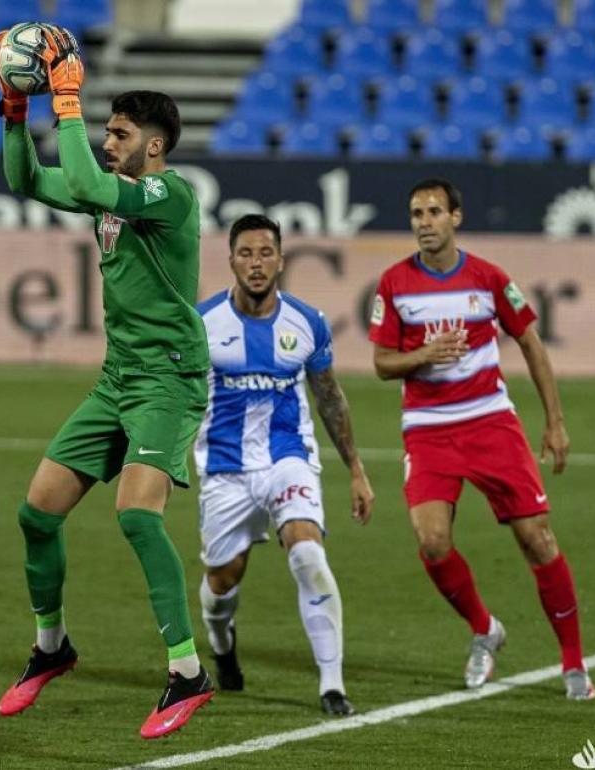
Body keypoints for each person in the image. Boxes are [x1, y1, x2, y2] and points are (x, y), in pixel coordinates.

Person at [0, 26, 214, 738]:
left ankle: (187, 672)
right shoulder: (111, 192)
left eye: (118, 132)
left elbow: (85, 179)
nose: (106, 139)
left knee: (136, 515)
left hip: (169, 382)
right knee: (37, 515)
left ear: (154, 144)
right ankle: (51, 649)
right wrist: (13, 109)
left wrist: (65, 99)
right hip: (118, 380)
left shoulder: (171, 195)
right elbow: (24, 179)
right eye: (105, 130)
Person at [368, 178, 595, 700]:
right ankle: (484, 629)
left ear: (456, 217)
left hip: (490, 421)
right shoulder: (395, 283)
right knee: (431, 541)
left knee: (537, 538)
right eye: (416, 214)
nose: (423, 222)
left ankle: (574, 663)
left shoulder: (488, 278)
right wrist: (423, 356)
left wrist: (554, 420)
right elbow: (382, 364)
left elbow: (532, 345)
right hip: (428, 429)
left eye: (432, 212)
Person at [195, 215, 374, 716]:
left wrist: (356, 469)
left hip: (287, 460)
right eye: (246, 254)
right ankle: (222, 644)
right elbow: (179, 396)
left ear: (281, 259)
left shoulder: (307, 322)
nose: (256, 264)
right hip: (225, 470)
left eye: (266, 253)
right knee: (223, 580)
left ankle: (332, 686)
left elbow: (330, 398)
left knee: (307, 554)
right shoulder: (202, 323)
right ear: (230, 260)